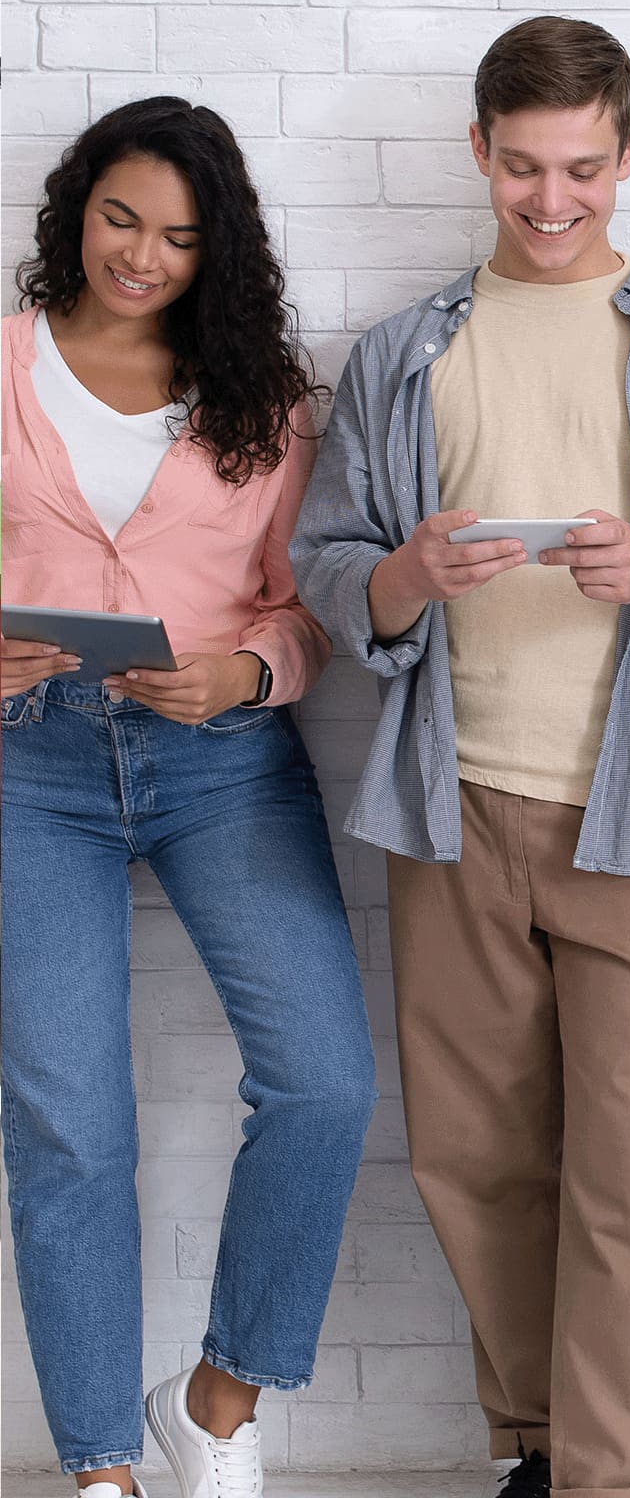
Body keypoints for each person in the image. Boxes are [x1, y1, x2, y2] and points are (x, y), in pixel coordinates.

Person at [289, 17, 630, 1498]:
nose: (550, 200)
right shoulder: (402, 356)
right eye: (522, 167)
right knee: (475, 1161)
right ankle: (531, 1446)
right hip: (455, 805)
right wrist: (401, 579)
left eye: (583, 168)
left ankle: (606, 1478)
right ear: (479, 152)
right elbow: (324, 559)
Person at [1, 97, 376, 1498]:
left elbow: (305, 608)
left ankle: (213, 1405)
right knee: (68, 1127)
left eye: (176, 235)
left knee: (326, 1082)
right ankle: (101, 1469)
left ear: (217, 250)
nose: (141, 257)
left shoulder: (264, 403)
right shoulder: (2, 367)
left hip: (221, 763)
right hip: (26, 767)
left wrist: (242, 673)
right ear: (74, 209)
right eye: (119, 219)